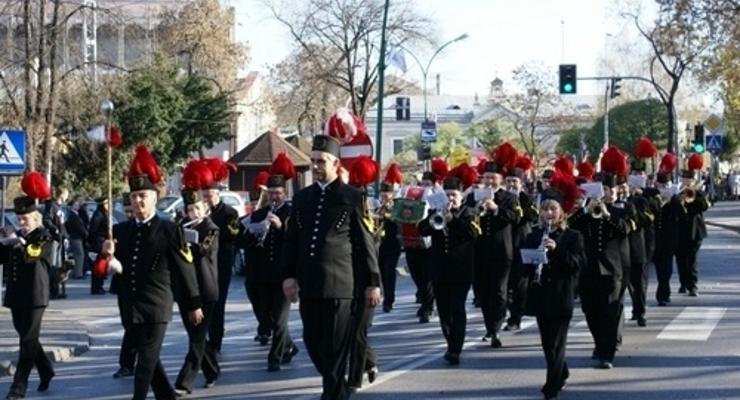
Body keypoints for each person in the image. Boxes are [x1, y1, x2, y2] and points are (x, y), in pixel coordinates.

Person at [100, 145, 204, 400]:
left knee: (144, 361)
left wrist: (193, 304)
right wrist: (107, 255)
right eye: (134, 196)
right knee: (149, 358)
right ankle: (166, 395)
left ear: (154, 198)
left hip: (157, 305)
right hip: (130, 305)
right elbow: (107, 269)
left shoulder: (168, 230)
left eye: (142, 196)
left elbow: (185, 269)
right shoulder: (121, 231)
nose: (137, 201)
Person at [282, 134, 380, 400]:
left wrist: (373, 282)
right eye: (313, 161)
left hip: (340, 287)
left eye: (321, 161)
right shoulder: (302, 198)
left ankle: (333, 394)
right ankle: (337, 387)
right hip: (310, 285)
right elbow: (292, 240)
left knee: (336, 351)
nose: (315, 166)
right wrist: (288, 276)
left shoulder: (352, 196)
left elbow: (364, 243)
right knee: (314, 344)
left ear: (335, 163)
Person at [523, 177, 584, 400]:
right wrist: (530, 259)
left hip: (561, 295)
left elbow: (577, 265)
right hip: (540, 295)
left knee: (557, 343)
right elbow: (523, 267)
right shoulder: (533, 235)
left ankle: (552, 385)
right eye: (545, 209)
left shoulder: (572, 236)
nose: (548, 213)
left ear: (561, 212)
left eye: (553, 209)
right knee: (547, 343)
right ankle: (562, 371)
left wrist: (556, 250)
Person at [0, 172, 56, 400]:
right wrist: (5, 242)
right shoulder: (17, 237)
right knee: (26, 335)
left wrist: (17, 242)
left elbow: (31, 254)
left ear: (35, 218)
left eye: (26, 219)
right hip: (16, 294)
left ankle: (19, 386)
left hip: (35, 295)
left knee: (27, 341)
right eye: (20, 220)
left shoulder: (43, 235)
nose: (22, 223)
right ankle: (45, 368)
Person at [241, 156, 299, 372]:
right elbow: (242, 241)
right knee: (269, 319)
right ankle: (289, 347)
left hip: (283, 274)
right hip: (262, 275)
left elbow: (296, 241)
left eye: (278, 193)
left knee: (280, 320)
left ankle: (273, 358)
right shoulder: (258, 214)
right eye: (271, 193)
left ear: (284, 193)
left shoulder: (291, 213)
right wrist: (256, 233)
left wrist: (280, 227)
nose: (274, 197)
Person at [418, 175, 480, 365]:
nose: (451, 199)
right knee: (444, 311)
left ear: (461, 196)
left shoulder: (469, 212)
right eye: (447, 195)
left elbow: (473, 233)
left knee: (457, 308)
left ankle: (455, 348)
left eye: (454, 195)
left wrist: (453, 219)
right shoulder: (436, 211)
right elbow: (422, 229)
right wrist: (433, 218)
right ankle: (450, 342)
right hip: (439, 269)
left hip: (461, 270)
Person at [174, 185, 220, 395]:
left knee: (197, 338)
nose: (193, 213)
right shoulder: (180, 226)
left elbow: (204, 249)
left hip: (205, 289)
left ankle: (185, 382)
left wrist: (189, 242)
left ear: (205, 208)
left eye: (197, 209)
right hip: (186, 289)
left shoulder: (211, 228)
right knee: (196, 336)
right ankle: (211, 371)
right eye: (190, 209)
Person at [470, 151, 519, 348]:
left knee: (499, 291)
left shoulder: (508, 197)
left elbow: (514, 217)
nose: (489, 180)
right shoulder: (474, 196)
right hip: (479, 250)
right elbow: (466, 215)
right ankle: (489, 326)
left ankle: (496, 328)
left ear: (500, 179)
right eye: (486, 177)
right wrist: (475, 206)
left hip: (501, 251)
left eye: (493, 177)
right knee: (482, 291)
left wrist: (495, 208)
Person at [201, 159, 240, 355]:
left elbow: (233, 236)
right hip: (203, 265)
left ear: (217, 194)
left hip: (222, 263)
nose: (207, 199)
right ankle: (206, 337)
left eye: (210, 196)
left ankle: (216, 341)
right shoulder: (200, 213)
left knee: (218, 304)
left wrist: (211, 229)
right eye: (204, 196)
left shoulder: (229, 212)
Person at [505, 163, 538, 331]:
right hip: (504, 246)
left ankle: (515, 318)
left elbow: (533, 216)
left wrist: (519, 201)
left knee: (519, 285)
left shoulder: (527, 198)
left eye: (514, 181)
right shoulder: (501, 197)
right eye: (508, 181)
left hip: (521, 244)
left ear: (521, 183)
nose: (511, 185)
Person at [110, 193, 137, 379]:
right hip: (124, 284)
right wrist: (108, 256)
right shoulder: (118, 229)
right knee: (128, 325)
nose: (130, 214)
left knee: (140, 329)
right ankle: (127, 364)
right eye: (127, 211)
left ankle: (130, 364)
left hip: (144, 287)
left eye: (132, 210)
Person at [675, 164, 710, 297]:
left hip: (695, 232)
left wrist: (695, 194)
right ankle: (683, 283)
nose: (687, 182)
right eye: (684, 180)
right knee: (680, 260)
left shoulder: (699, 193)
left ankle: (692, 285)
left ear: (694, 181)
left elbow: (704, 206)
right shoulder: (677, 192)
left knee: (692, 260)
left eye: (689, 180)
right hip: (679, 231)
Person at [43, 186, 68, 299]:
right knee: (52, 265)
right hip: (54, 239)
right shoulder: (51, 205)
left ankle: (56, 290)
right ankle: (51, 291)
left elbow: (62, 224)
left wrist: (65, 236)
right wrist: (55, 230)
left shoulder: (60, 207)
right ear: (62, 195)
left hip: (60, 239)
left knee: (58, 266)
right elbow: (46, 219)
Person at [87, 197, 110, 295]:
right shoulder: (98, 215)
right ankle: (96, 287)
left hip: (103, 242)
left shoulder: (103, 214)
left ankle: (100, 285)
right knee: (98, 267)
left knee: (102, 266)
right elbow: (93, 230)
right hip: (98, 243)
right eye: (107, 204)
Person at [65, 195, 88, 280]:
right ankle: (78, 273)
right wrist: (85, 233)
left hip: (76, 237)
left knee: (77, 255)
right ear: (72, 206)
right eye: (76, 204)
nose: (78, 205)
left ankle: (76, 272)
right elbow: (78, 227)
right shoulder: (72, 215)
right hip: (76, 237)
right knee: (79, 255)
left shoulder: (75, 214)